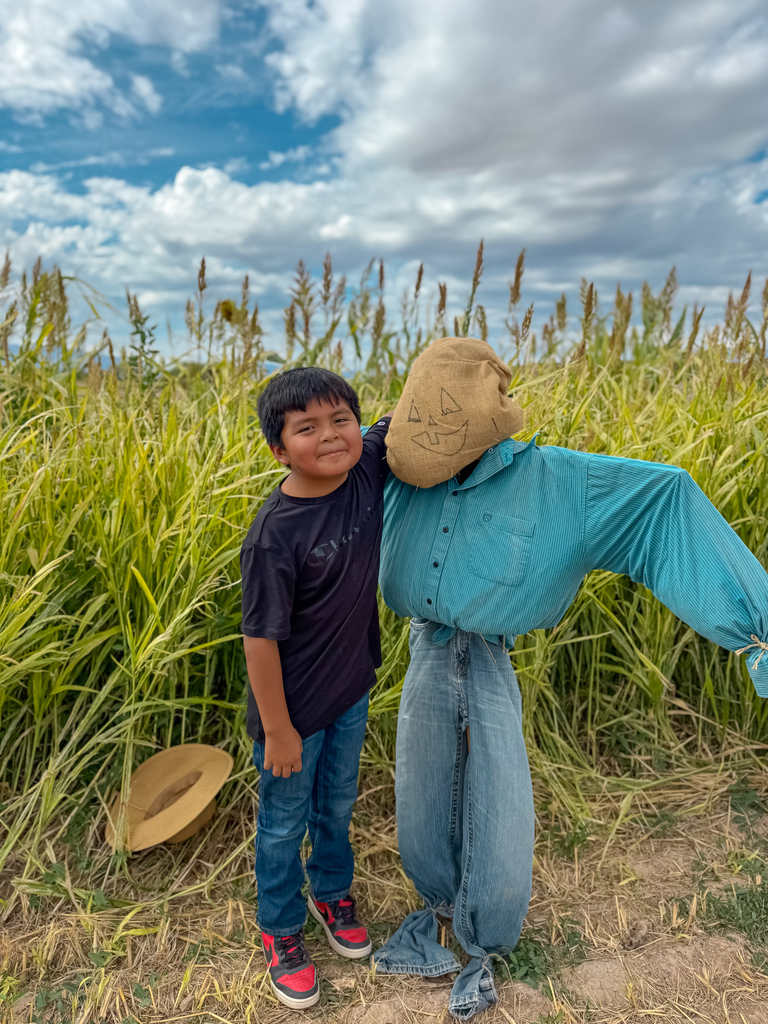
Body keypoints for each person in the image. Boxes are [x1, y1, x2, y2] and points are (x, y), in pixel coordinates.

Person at [372, 336, 768, 1020]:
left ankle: (483, 941)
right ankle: (435, 906)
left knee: (497, 796)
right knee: (422, 786)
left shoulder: (557, 481)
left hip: (490, 654)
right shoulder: (396, 469)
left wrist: (755, 630)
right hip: (426, 648)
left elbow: (662, 498)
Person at [241, 366, 394, 1009]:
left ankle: (332, 894)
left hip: (351, 690)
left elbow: (411, 417)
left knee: (335, 806)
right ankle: (280, 930)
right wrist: (278, 729)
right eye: (307, 428)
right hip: (293, 712)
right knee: (283, 822)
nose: (331, 436)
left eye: (341, 420)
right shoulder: (275, 534)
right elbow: (260, 641)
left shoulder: (363, 468)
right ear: (279, 449)